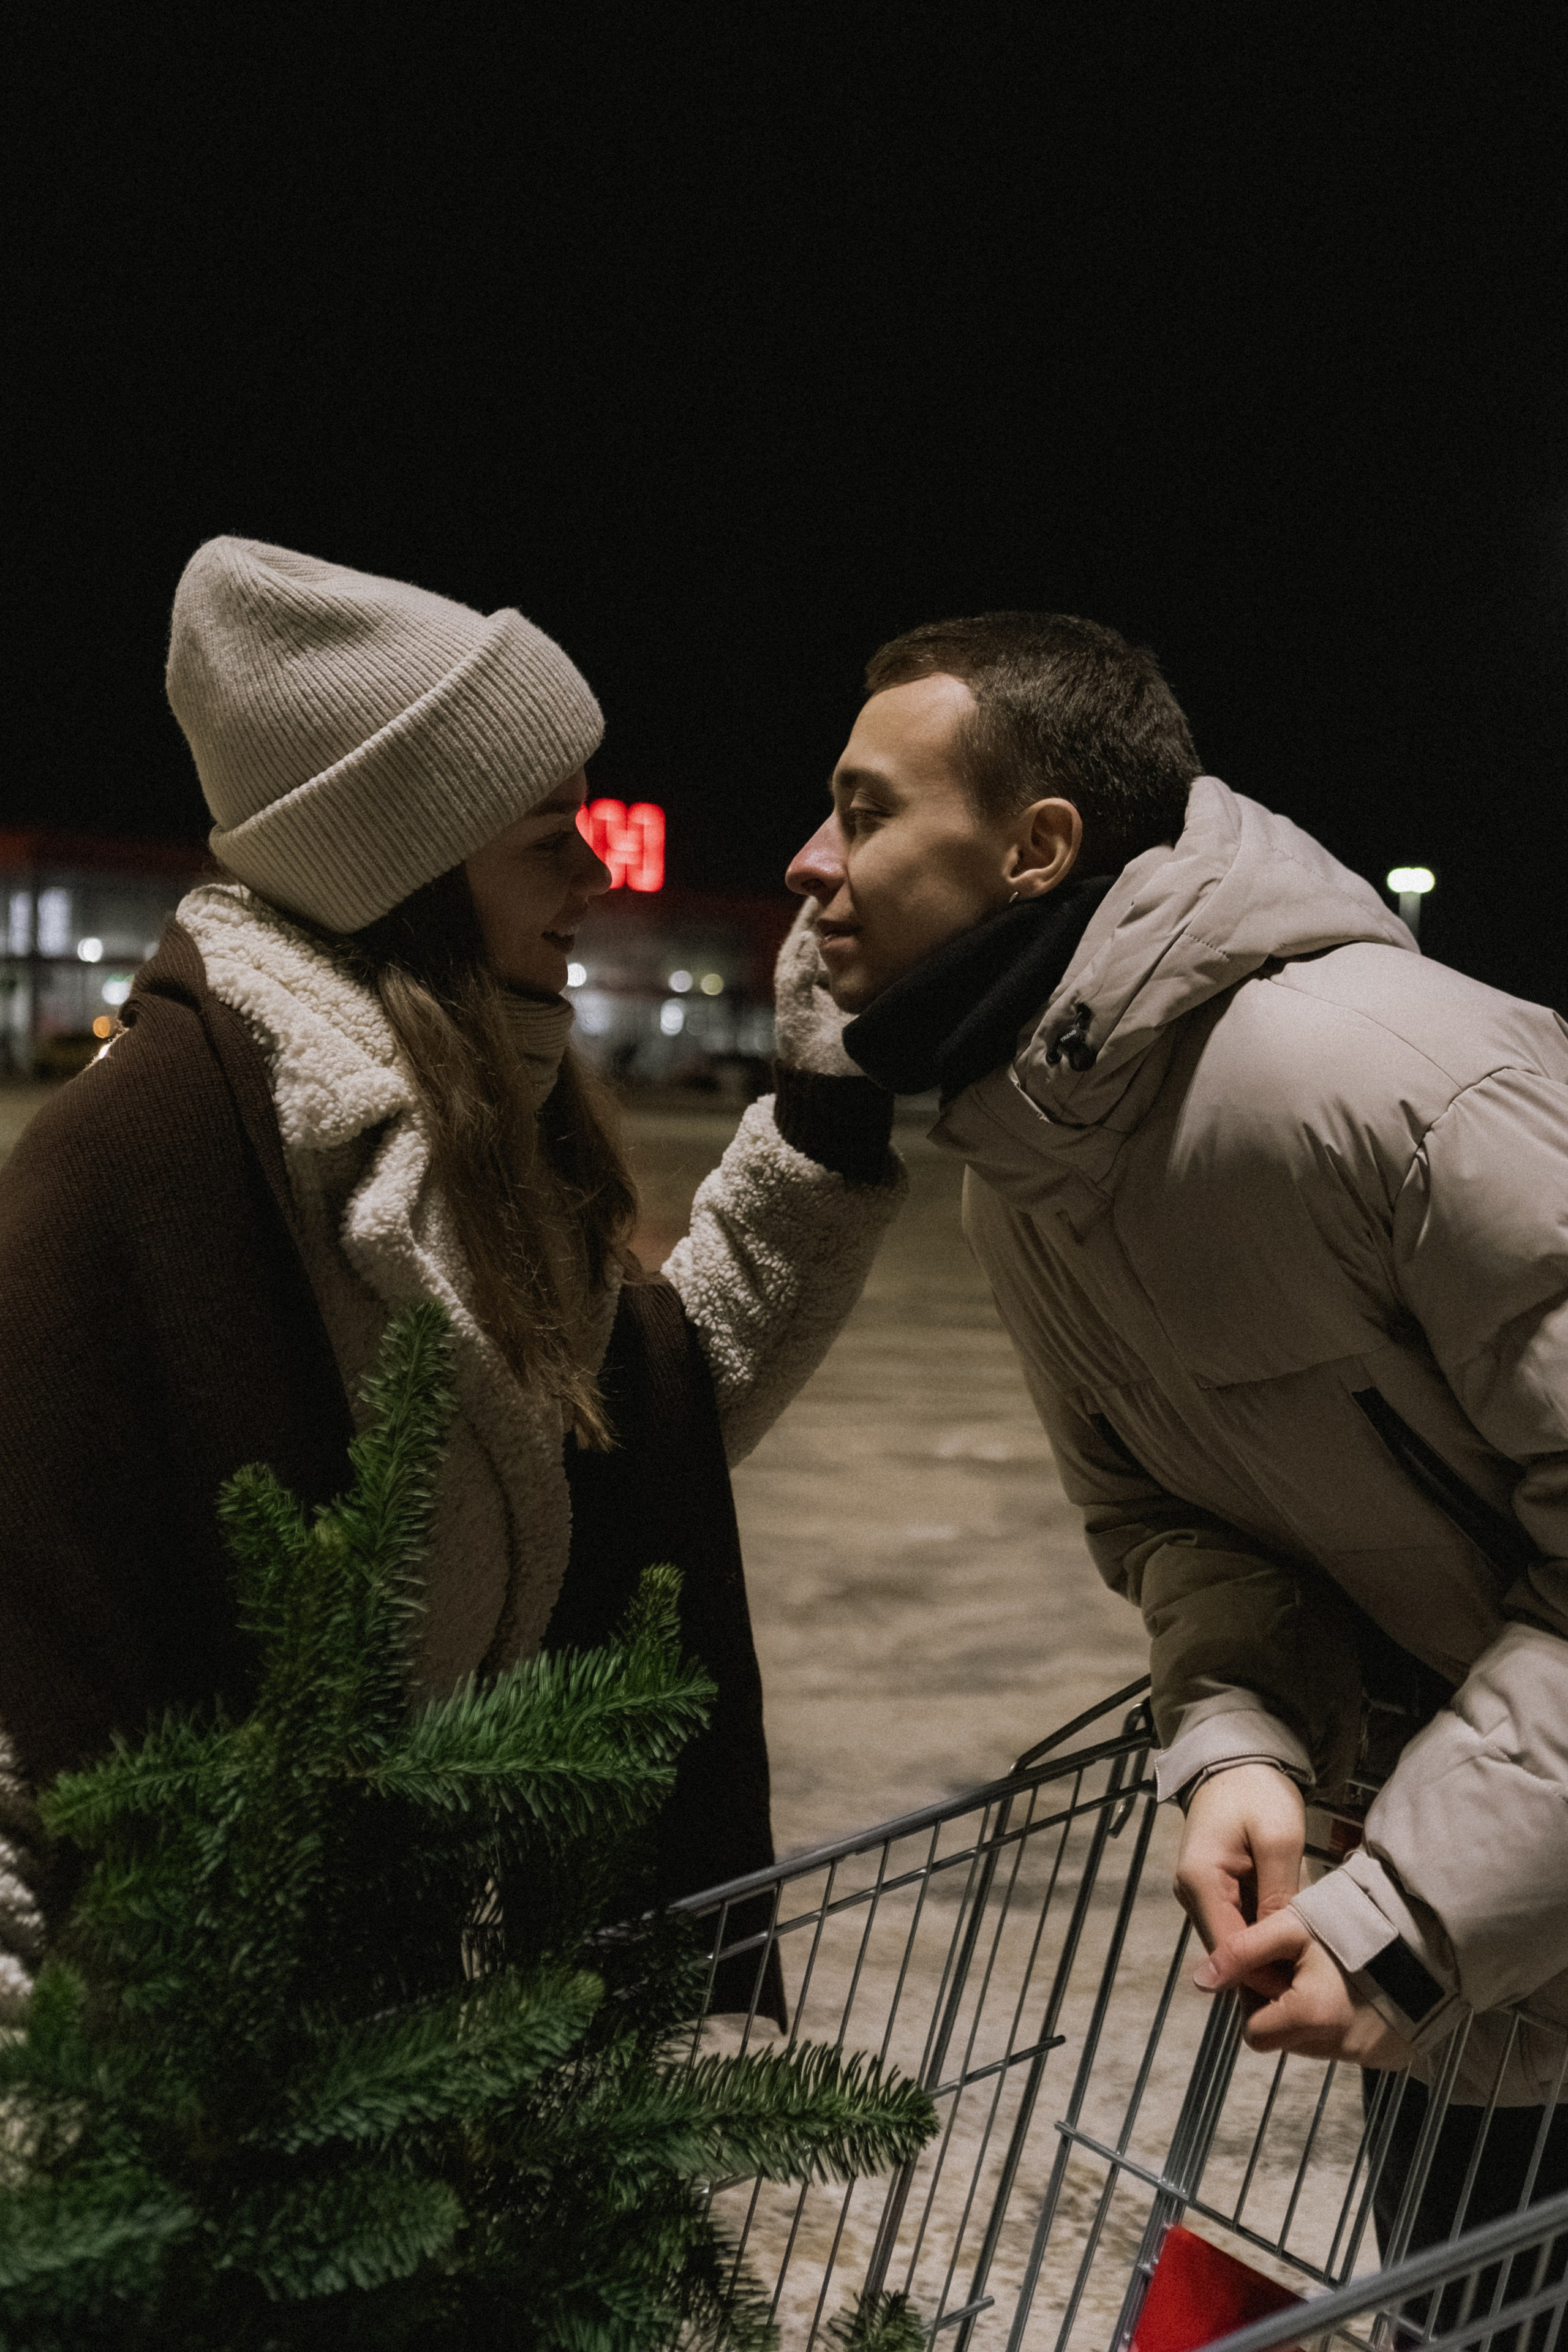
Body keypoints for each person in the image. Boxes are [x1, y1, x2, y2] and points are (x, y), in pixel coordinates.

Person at [0, 537, 903, 2017]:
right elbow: (30, 1690)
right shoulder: (148, 1154)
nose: (594, 874)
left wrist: (820, 1116)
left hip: (400, 2010)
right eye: (549, 838)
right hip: (190, 2034)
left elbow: (624, 1434)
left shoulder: (480, 1134)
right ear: (407, 869)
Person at [783, 609, 1568, 2236]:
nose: (808, 861)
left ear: (1036, 848)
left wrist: (1420, 1911)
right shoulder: (1030, 1184)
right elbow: (1169, 1520)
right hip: (1485, 1972)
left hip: (1458, 1912)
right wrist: (1238, 1744)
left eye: (865, 811)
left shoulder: (1376, 1083)